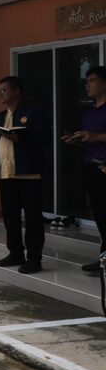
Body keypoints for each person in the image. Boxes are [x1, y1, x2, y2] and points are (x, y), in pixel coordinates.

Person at [0, 76, 47, 274]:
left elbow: (42, 140)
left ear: (17, 91)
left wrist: (19, 139)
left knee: (32, 218)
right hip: (6, 173)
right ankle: (15, 253)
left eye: (4, 90)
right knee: (10, 216)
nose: (0, 94)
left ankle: (34, 258)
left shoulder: (32, 113)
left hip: (28, 173)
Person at [62, 66, 106, 273]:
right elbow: (87, 140)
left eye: (92, 81)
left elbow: (95, 137)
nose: (87, 85)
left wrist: (95, 136)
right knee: (99, 215)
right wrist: (76, 141)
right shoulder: (88, 111)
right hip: (91, 166)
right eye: (86, 82)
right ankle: (104, 259)